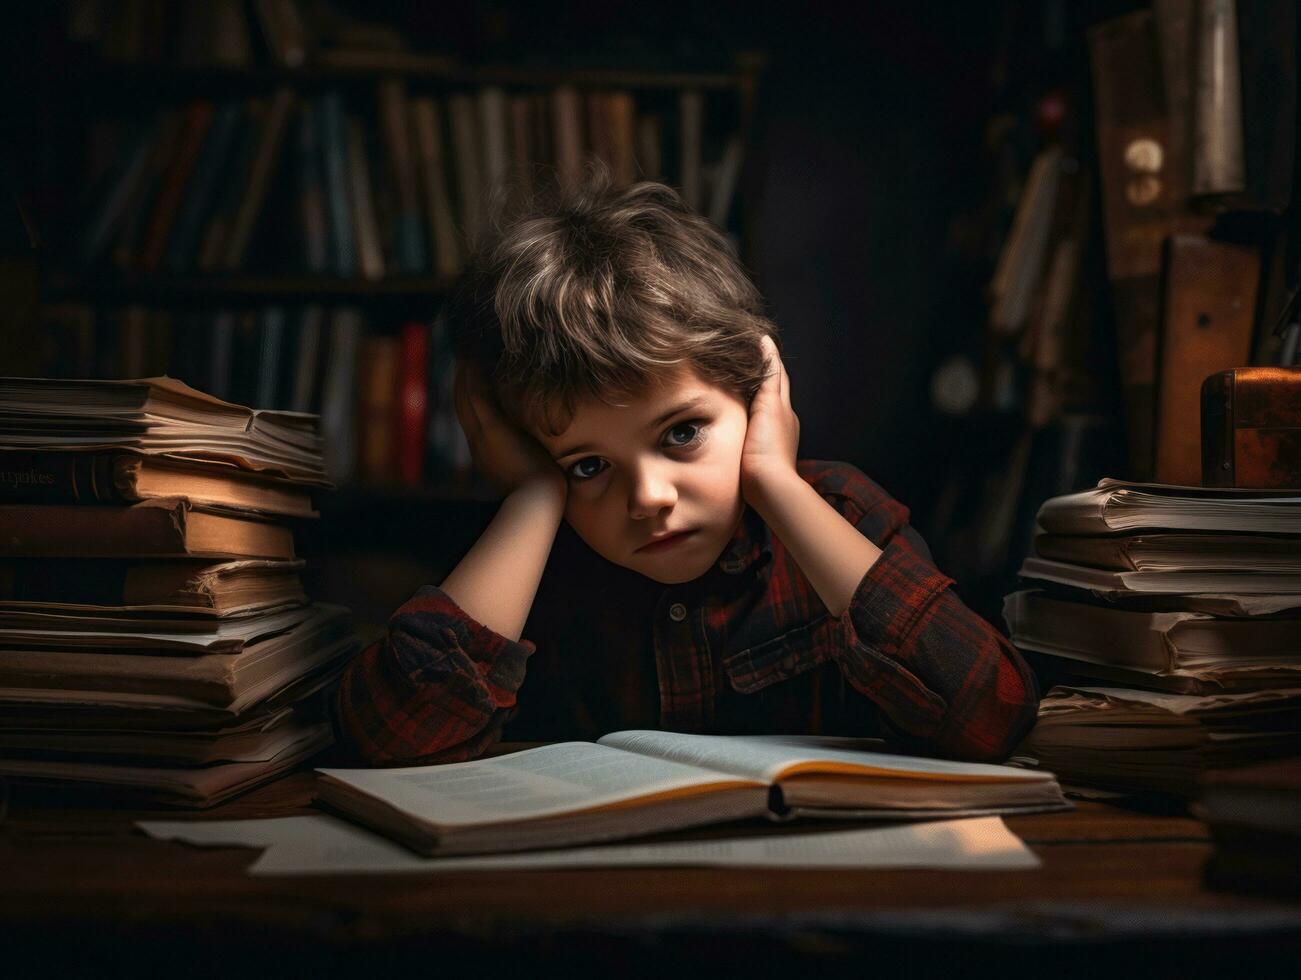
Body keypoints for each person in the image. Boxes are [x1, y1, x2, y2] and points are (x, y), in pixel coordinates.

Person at [332, 170, 1039, 767]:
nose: (648, 498)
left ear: (756, 394)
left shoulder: (840, 513)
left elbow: (990, 717)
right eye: (586, 466)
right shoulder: (529, 566)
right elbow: (386, 746)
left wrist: (776, 482)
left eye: (681, 433)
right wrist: (532, 496)